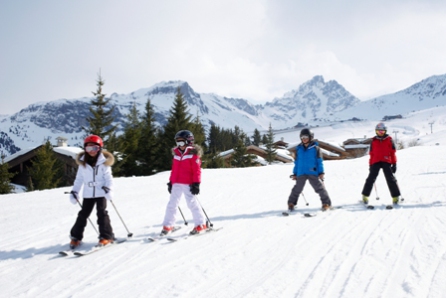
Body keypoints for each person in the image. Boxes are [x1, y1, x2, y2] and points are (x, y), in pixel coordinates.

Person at [68, 135, 115, 248]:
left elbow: (109, 178)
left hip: (101, 192)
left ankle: (106, 236)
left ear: (99, 149)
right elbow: (79, 179)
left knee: (102, 213)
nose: (92, 151)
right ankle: (76, 237)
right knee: (83, 214)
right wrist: (75, 191)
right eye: (89, 149)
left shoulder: (104, 163)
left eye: (94, 148)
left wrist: (109, 189)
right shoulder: (83, 163)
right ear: (85, 149)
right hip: (88, 193)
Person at [161, 130, 207, 236]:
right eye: (177, 142)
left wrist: (196, 183)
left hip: (188, 183)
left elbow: (197, 170)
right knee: (172, 204)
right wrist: (171, 182)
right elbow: (174, 170)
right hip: (176, 183)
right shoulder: (176, 154)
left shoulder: (193, 154)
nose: (179, 145)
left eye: (181, 142)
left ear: (188, 142)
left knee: (192, 203)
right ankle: (168, 225)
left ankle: (200, 224)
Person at [287, 128, 332, 211]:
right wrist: (295, 173)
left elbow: (319, 161)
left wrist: (321, 172)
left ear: (311, 137)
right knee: (297, 189)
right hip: (301, 172)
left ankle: (326, 203)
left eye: (306, 137)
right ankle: (291, 203)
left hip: (312, 171)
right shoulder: (298, 149)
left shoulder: (316, 148)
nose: (304, 139)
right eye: (302, 137)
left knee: (319, 188)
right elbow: (297, 163)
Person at [361, 122, 400, 204]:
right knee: (371, 178)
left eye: (382, 131)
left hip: (386, 161)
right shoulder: (373, 141)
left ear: (385, 131)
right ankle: (365, 195)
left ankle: (395, 196)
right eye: (379, 131)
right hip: (376, 161)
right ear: (376, 131)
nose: (380, 133)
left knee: (390, 178)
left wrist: (394, 163)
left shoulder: (389, 140)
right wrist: (370, 165)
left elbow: (392, 153)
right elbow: (371, 154)